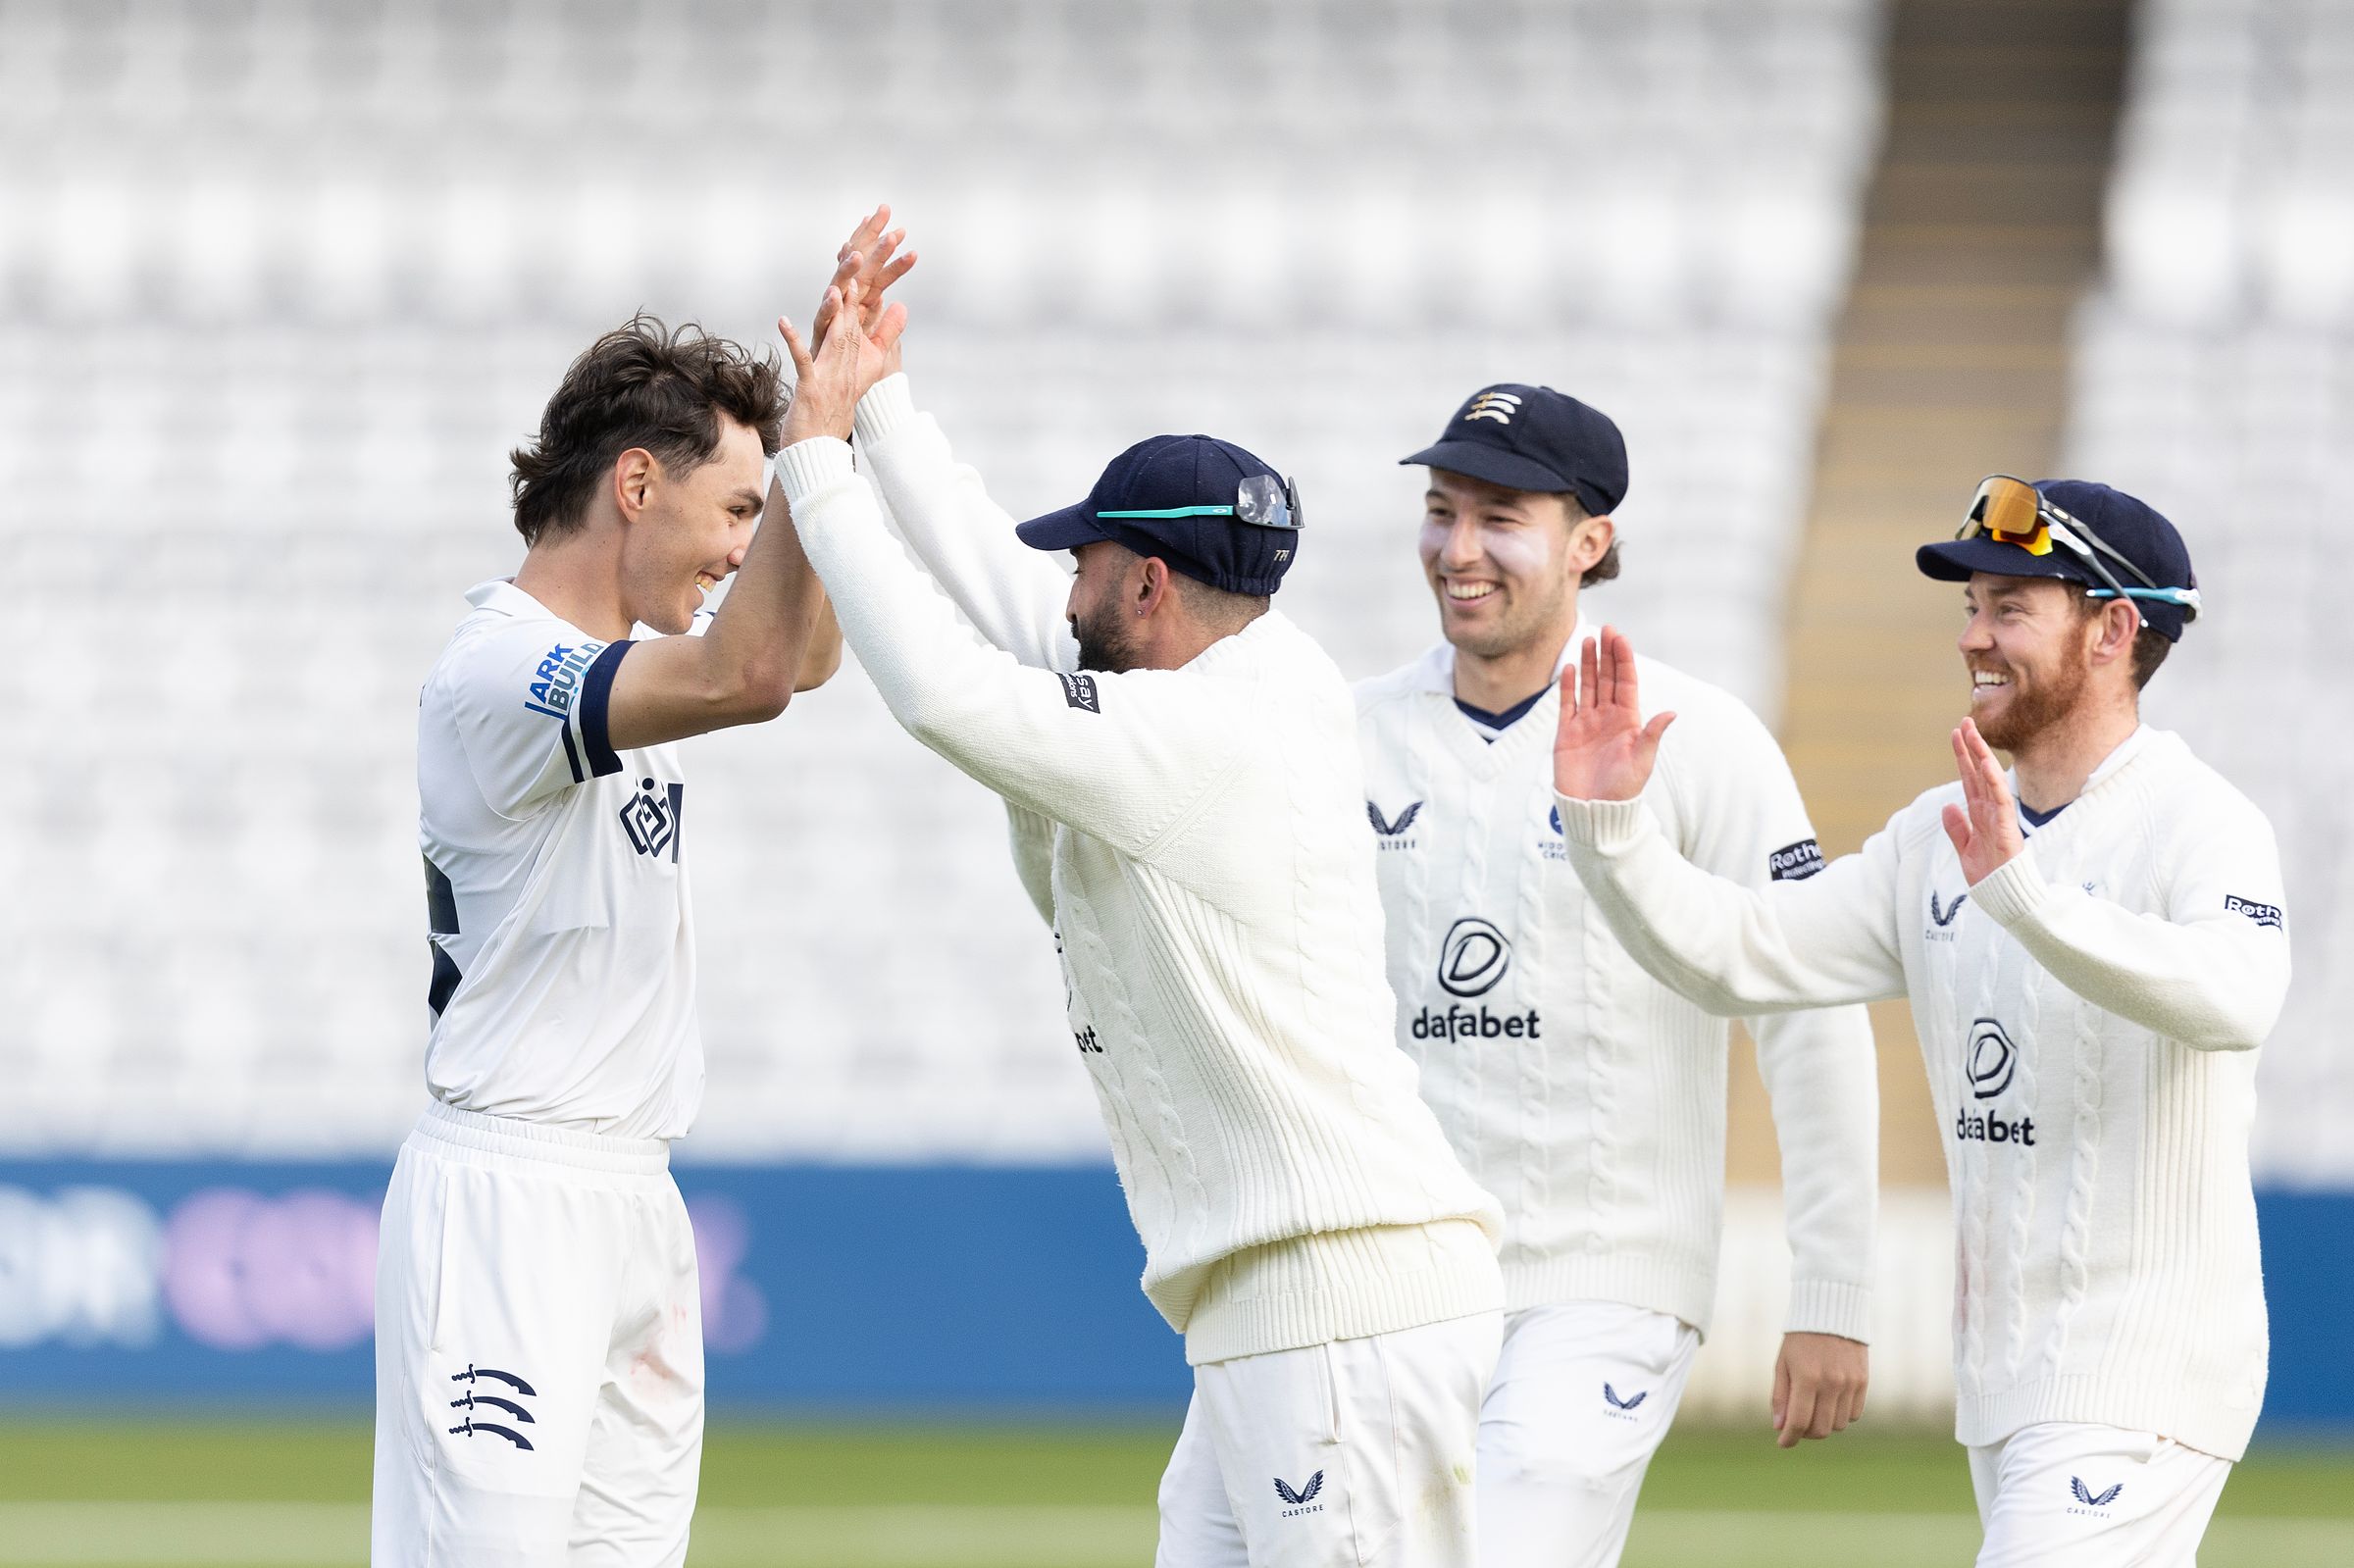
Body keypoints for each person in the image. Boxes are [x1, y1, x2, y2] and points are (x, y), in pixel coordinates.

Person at [777, 245, 1506, 1567]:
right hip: (1282, 1313)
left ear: (1152, 588)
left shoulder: (1211, 733)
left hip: (1341, 1316)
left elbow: (956, 692)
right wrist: (879, 407)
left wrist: (816, 462)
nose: (1066, 591)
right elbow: (1006, 594)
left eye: (1090, 566)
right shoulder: (1214, 680)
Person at [1550, 476, 2288, 1567]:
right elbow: (1743, 953)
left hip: (2142, 1378)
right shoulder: (1939, 833)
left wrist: (2026, 897)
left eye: (2010, 608)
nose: (1975, 638)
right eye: (1972, 606)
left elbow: (2236, 997)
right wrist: (1613, 831)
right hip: (2005, 1384)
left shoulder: (2203, 824)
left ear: (2114, 630)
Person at [374, 215, 897, 1567]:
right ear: (637, 484)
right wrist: (814, 442)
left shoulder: (627, 679)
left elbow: (806, 654)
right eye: (739, 508)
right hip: (510, 1198)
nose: (744, 550)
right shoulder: (499, 672)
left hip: (634, 1201)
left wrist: (843, 444)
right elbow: (757, 672)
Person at [1355, 383, 1878, 1568]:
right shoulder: (1354, 732)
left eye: (1500, 518)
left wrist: (1833, 1293)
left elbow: (1810, 1008)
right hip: (1397, 1281)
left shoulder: (1702, 736)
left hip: (1609, 1277)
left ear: (1590, 542)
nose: (1458, 550)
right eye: (1442, 511)